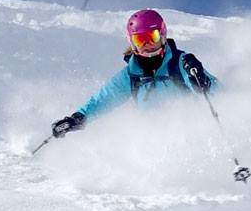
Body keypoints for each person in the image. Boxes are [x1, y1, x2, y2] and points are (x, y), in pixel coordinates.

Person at [52, 8, 217, 138]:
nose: (146, 45)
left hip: (192, 134)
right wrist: (77, 118)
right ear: (131, 42)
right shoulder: (131, 75)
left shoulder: (179, 63)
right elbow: (104, 99)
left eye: (152, 37)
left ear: (163, 35)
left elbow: (220, 95)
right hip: (155, 142)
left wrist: (202, 80)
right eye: (140, 39)